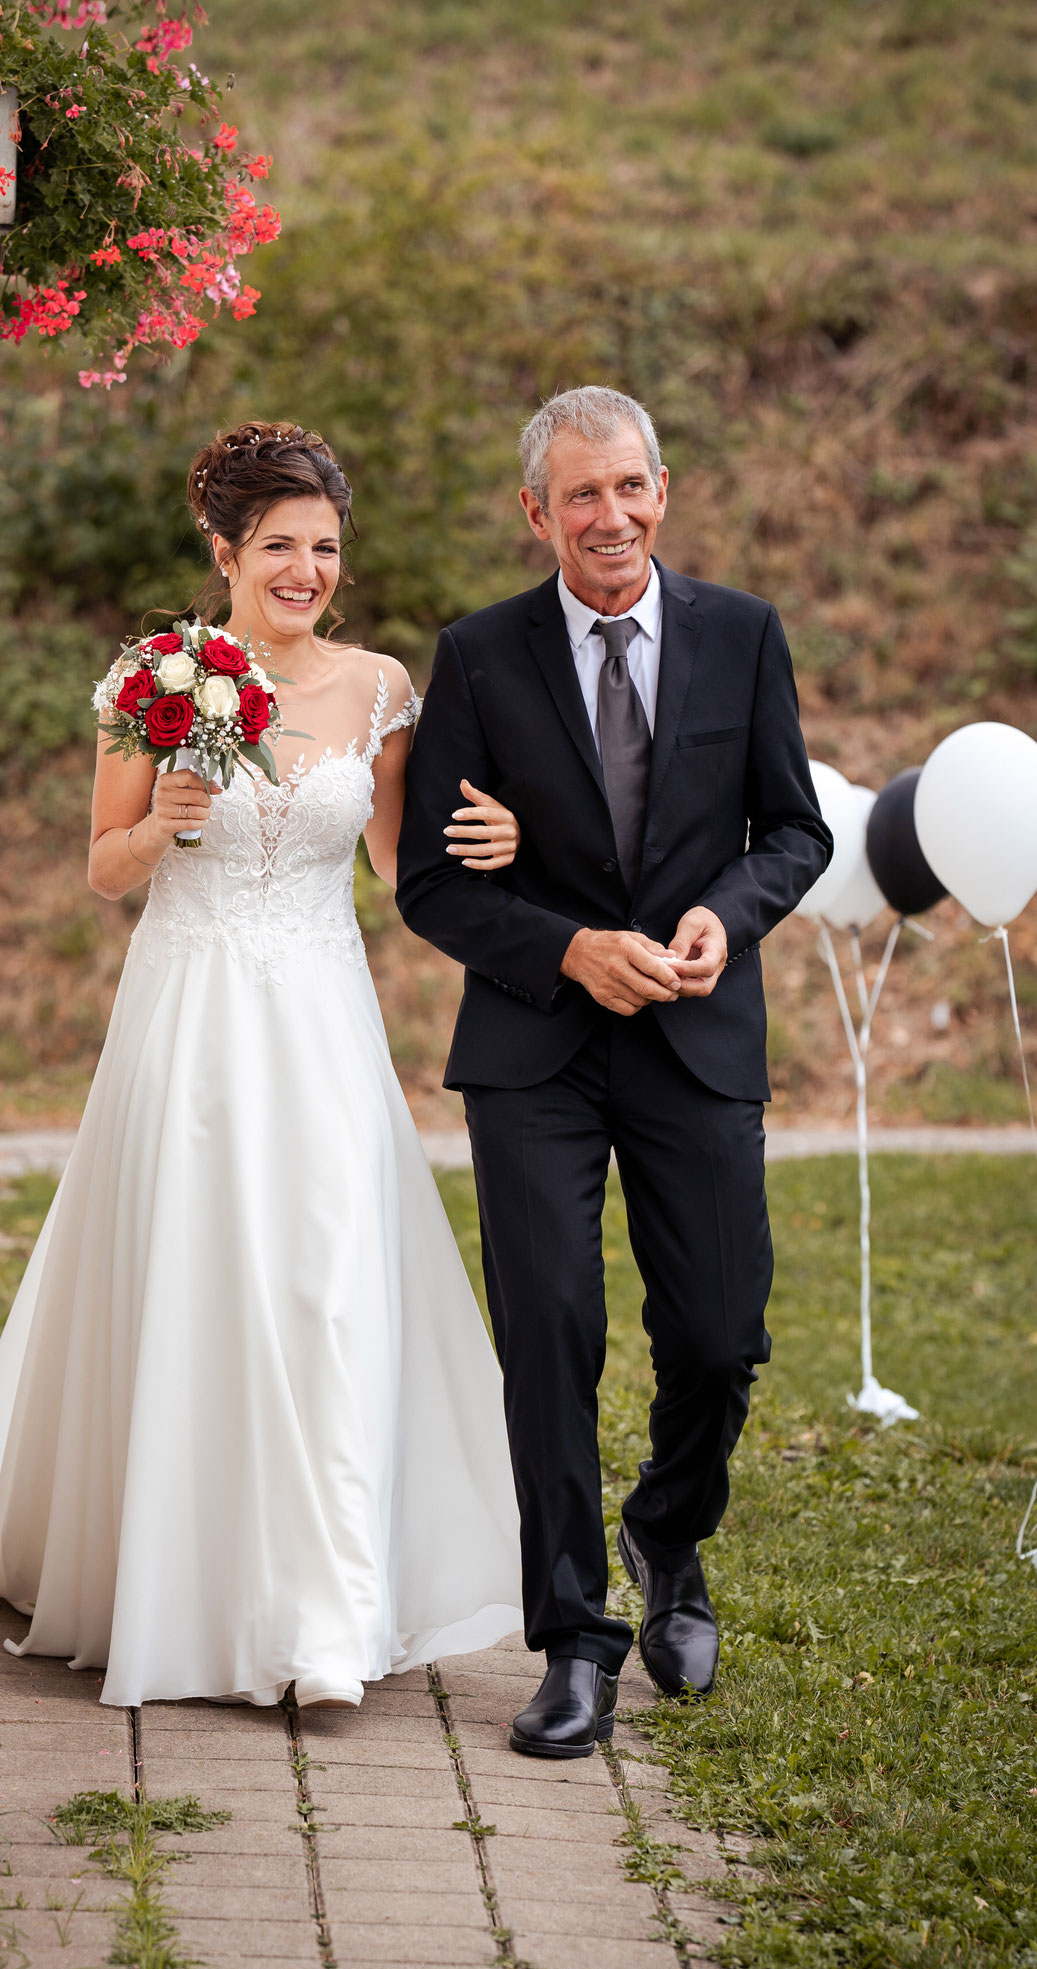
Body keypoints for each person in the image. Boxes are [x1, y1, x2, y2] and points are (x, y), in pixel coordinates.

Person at [0, 421, 526, 1712]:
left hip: (320, 1019)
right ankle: (184, 1579)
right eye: (280, 546)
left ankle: (323, 1614)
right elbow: (103, 861)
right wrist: (166, 823)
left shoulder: (377, 689)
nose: (305, 570)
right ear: (225, 549)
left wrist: (498, 843)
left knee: (326, 1285)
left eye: (324, 548)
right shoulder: (160, 674)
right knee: (195, 1272)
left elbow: (395, 869)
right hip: (189, 1009)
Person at [396, 386, 831, 1758]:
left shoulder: (741, 636)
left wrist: (725, 916)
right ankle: (572, 1637)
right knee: (550, 1336)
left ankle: (669, 1539)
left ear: (663, 489)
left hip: (696, 1036)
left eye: (627, 487)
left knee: (715, 1333)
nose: (608, 515)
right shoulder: (476, 659)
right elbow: (430, 888)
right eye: (577, 495)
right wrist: (570, 947)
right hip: (537, 1047)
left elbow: (791, 832)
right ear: (537, 512)